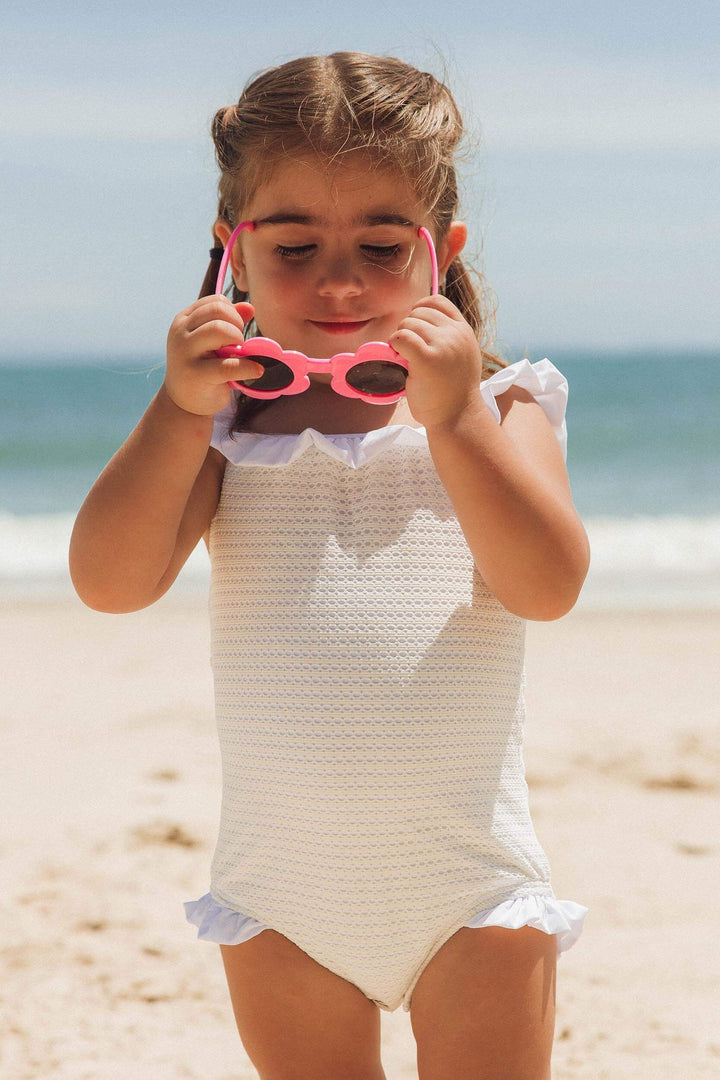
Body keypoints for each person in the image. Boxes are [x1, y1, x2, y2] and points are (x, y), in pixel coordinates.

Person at [70, 52, 590, 1080]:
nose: (339, 281)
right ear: (234, 255)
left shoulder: (506, 406)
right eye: (295, 244)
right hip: (284, 896)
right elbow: (109, 582)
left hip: (469, 888)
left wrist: (453, 421)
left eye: (381, 246)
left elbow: (547, 585)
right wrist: (177, 408)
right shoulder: (225, 430)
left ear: (441, 251)